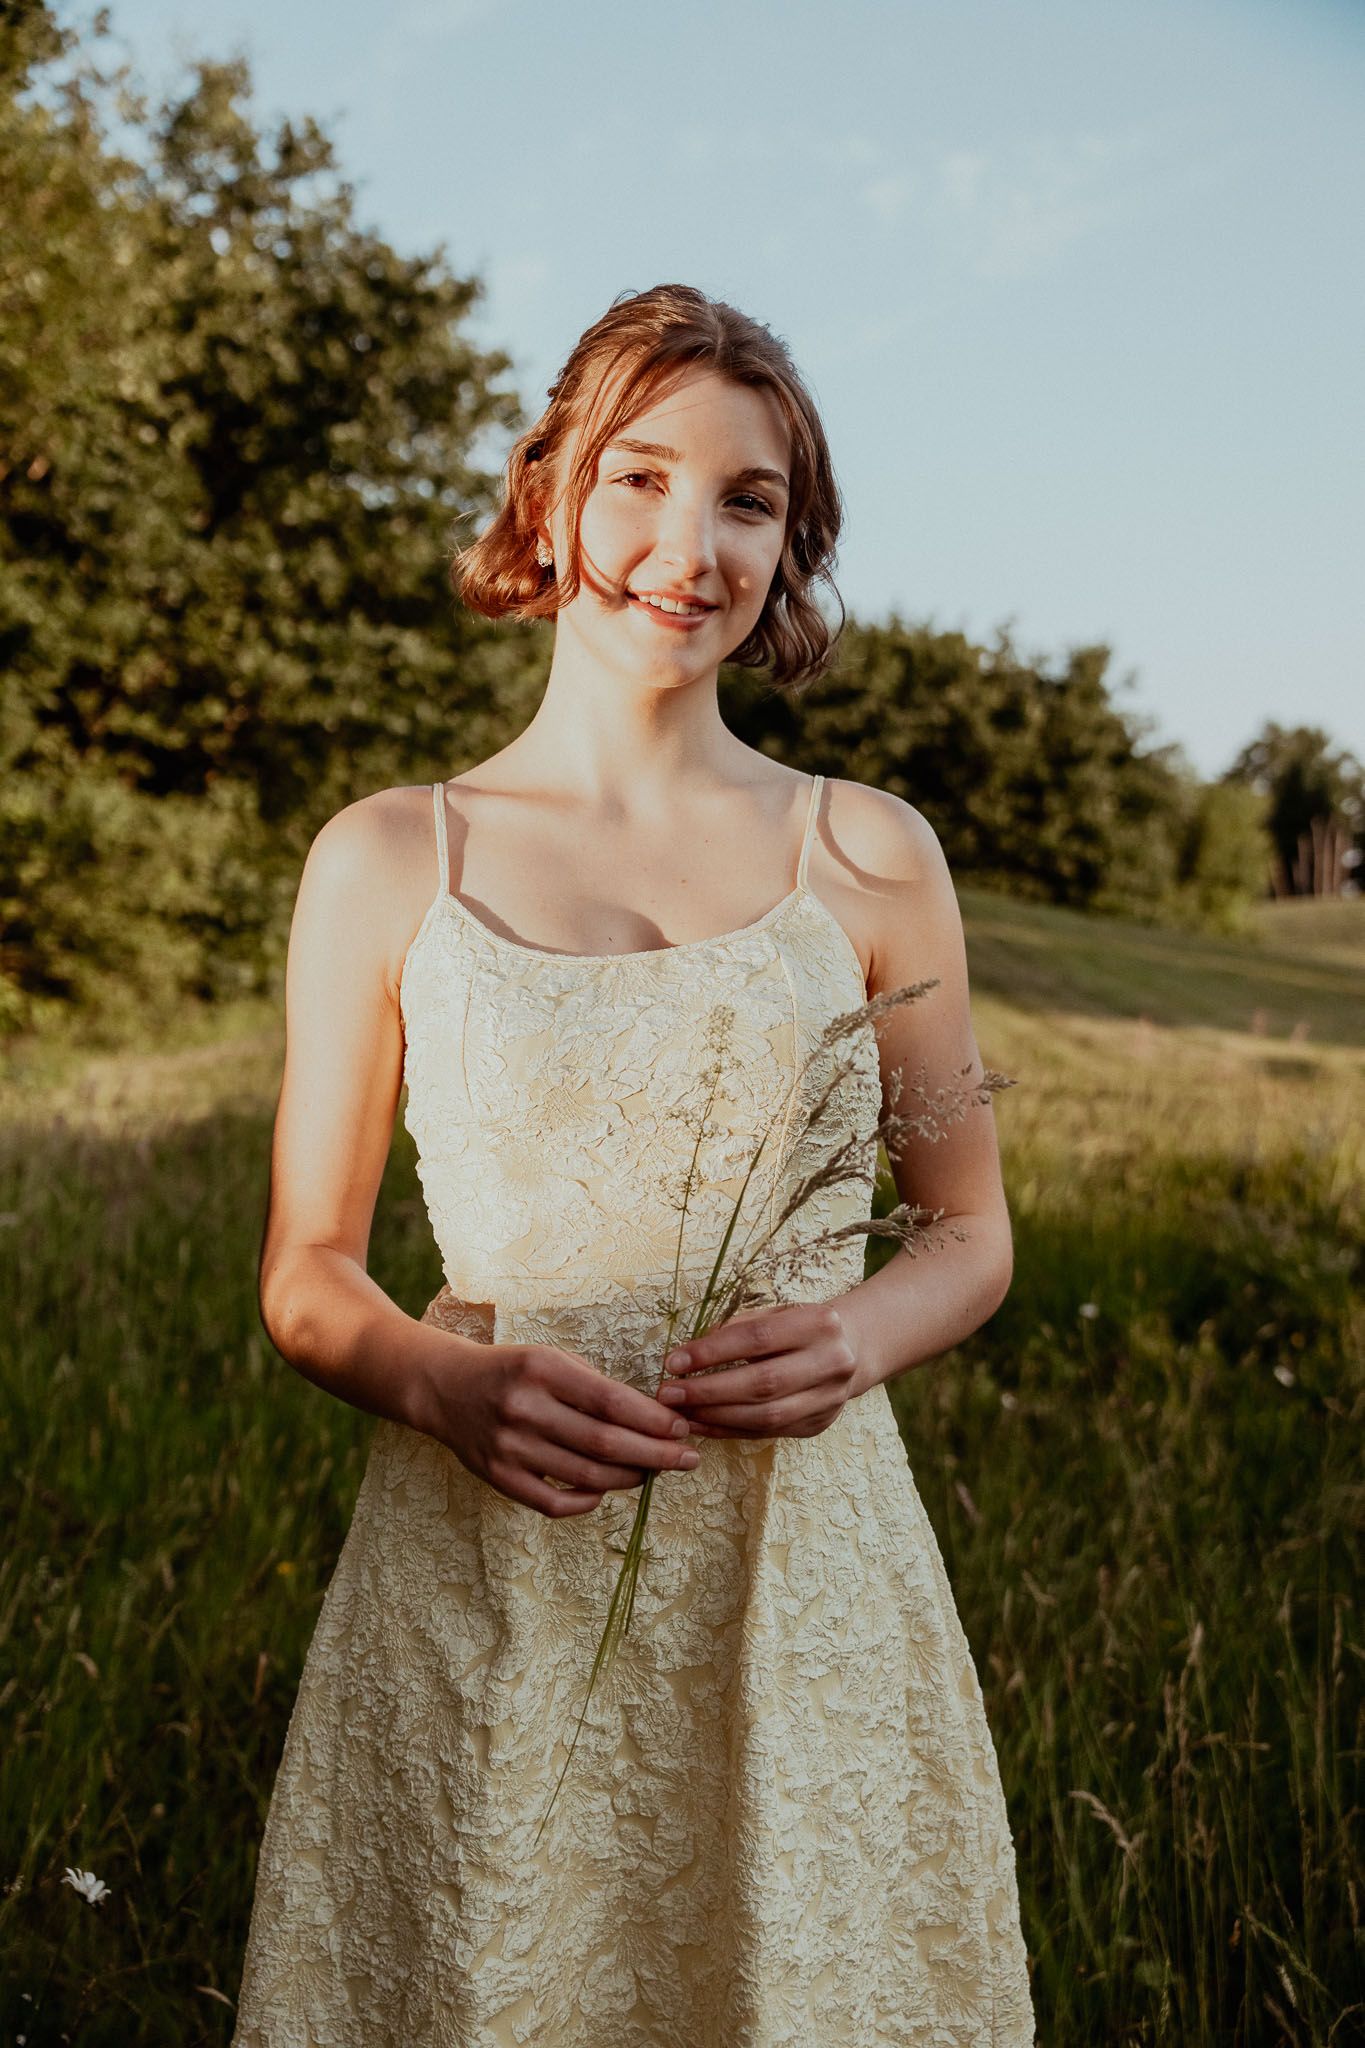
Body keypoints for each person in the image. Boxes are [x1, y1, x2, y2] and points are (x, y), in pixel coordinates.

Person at [230, 283, 1036, 2046]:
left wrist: (859, 1335)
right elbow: (308, 1270)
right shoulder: (387, 858)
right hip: (491, 1565)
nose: (689, 545)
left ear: (789, 550)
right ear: (546, 501)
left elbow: (965, 1234)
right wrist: (442, 1384)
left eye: (747, 502)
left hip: (796, 1571)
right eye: (639, 478)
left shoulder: (873, 856)